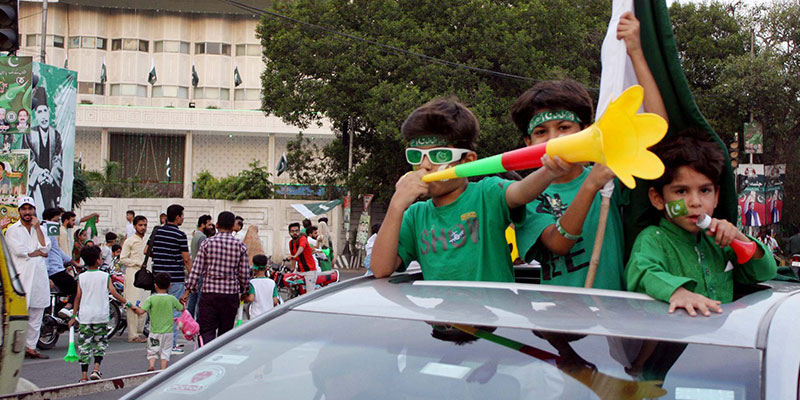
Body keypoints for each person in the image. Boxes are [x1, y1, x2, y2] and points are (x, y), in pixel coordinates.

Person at [511, 13, 667, 290]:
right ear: (527, 143)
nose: (554, 139)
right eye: (541, 132)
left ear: (585, 129)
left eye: (564, 127)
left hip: (612, 318)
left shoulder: (609, 172)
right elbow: (558, 244)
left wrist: (635, 53)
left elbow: (657, 129)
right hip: (559, 325)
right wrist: (590, 186)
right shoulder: (527, 195)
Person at [370, 97, 571, 281]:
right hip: (445, 321)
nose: (425, 166)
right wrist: (397, 204)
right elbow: (380, 269)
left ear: (467, 161)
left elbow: (522, 191)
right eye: (415, 156)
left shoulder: (486, 193)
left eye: (438, 155)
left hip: (494, 318)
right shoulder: (415, 215)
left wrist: (549, 171)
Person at [626, 134, 777, 317]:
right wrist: (677, 292)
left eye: (705, 190)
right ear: (657, 199)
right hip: (678, 342)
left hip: (719, 340)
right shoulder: (653, 239)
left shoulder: (718, 241)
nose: (695, 202)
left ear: (716, 197)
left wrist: (738, 237)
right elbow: (642, 273)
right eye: (682, 191)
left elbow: (764, 272)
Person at [182, 211, 250, 345]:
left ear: (217, 225)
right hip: (230, 296)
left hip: (209, 294)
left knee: (206, 330)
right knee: (225, 332)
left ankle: (205, 358)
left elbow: (197, 269)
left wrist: (188, 290)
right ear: (232, 227)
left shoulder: (207, 243)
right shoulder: (240, 246)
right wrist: (244, 290)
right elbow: (244, 274)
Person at [68, 246, 133, 382]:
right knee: (100, 343)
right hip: (101, 316)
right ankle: (96, 369)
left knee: (84, 346)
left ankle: (84, 375)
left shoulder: (82, 277)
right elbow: (114, 293)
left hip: (85, 317)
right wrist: (128, 304)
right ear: (98, 260)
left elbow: (78, 297)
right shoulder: (105, 276)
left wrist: (74, 316)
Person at [5, 196, 51, 359]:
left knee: (37, 312)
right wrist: (37, 252)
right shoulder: (13, 230)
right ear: (19, 211)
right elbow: (20, 251)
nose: (27, 212)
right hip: (21, 277)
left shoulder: (41, 229)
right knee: (19, 315)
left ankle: (30, 347)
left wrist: (37, 229)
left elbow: (45, 249)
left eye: (30, 209)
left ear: (34, 210)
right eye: (24, 209)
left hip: (38, 277)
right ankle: (14, 349)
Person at [145, 204, 191, 355]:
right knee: (175, 313)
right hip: (175, 277)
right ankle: (171, 345)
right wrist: (192, 276)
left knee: (157, 311)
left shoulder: (157, 232)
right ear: (177, 217)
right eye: (182, 215)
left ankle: (155, 344)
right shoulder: (180, 235)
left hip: (158, 277)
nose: (183, 218)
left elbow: (146, 251)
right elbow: (186, 258)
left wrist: (160, 256)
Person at [133, 272, 183, 371]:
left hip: (154, 332)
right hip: (168, 332)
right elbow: (181, 309)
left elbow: (141, 311)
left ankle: (151, 366)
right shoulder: (172, 299)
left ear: (155, 285)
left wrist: (133, 307)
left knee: (152, 350)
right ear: (169, 286)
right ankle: (162, 369)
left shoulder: (151, 299)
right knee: (165, 352)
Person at [24, 86, 63, 211]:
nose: (43, 116)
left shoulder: (55, 134)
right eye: (39, 112)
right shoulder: (29, 134)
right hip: (36, 180)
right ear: (35, 114)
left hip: (50, 182)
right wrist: (40, 173)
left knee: (51, 212)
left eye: (45, 111)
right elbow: (27, 157)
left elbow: (58, 159)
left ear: (49, 112)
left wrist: (51, 176)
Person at [42, 207, 78, 318]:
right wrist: (47, 275)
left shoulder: (52, 231)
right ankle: (66, 308)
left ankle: (58, 314)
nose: (58, 223)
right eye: (56, 220)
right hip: (54, 271)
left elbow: (56, 250)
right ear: (48, 219)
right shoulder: (45, 230)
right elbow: (45, 252)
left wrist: (72, 261)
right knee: (77, 288)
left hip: (58, 268)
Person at [120, 215, 148, 343]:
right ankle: (132, 334)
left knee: (144, 302)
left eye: (145, 225)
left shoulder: (147, 240)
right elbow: (123, 259)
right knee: (132, 303)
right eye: (140, 225)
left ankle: (139, 332)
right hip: (133, 274)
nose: (143, 228)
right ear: (135, 226)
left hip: (146, 275)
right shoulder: (130, 241)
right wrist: (137, 262)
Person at [187, 214, 213, 318]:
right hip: (201, 271)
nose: (210, 227)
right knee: (199, 300)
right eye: (209, 224)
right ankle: (198, 323)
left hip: (194, 270)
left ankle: (188, 321)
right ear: (203, 224)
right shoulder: (202, 237)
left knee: (192, 299)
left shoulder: (195, 235)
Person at [245, 254, 279, 319]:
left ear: (254, 268)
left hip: (256, 316)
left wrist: (243, 298)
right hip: (269, 315)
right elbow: (275, 301)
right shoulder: (272, 282)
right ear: (266, 268)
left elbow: (250, 298)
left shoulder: (252, 283)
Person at [288, 222, 318, 292]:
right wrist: (292, 268)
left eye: (296, 231)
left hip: (309, 271)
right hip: (299, 271)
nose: (295, 233)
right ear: (289, 232)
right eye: (292, 231)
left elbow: (301, 248)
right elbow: (294, 258)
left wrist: (295, 255)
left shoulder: (303, 238)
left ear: (299, 231)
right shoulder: (291, 243)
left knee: (309, 294)